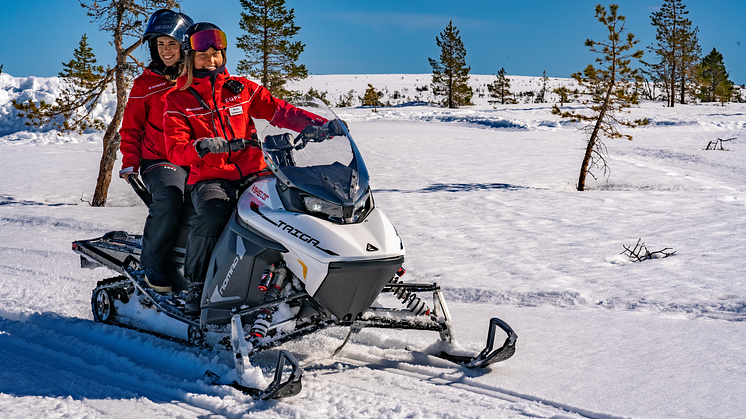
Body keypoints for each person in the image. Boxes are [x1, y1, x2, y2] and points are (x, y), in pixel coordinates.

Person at [163, 22, 337, 293]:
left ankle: (305, 275)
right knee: (213, 214)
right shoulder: (177, 100)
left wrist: (321, 125)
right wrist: (203, 145)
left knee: (295, 207)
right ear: (190, 58)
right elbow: (176, 149)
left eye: (216, 54)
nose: (211, 60)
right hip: (211, 178)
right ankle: (197, 286)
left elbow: (280, 112)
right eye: (203, 55)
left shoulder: (241, 89)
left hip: (258, 171)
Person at [119, 9, 194, 293]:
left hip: (196, 158)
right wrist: (129, 162)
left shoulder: (194, 79)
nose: (165, 51)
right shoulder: (144, 85)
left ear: (184, 46)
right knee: (170, 198)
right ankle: (153, 265)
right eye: (160, 45)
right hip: (160, 160)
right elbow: (132, 127)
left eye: (171, 44)